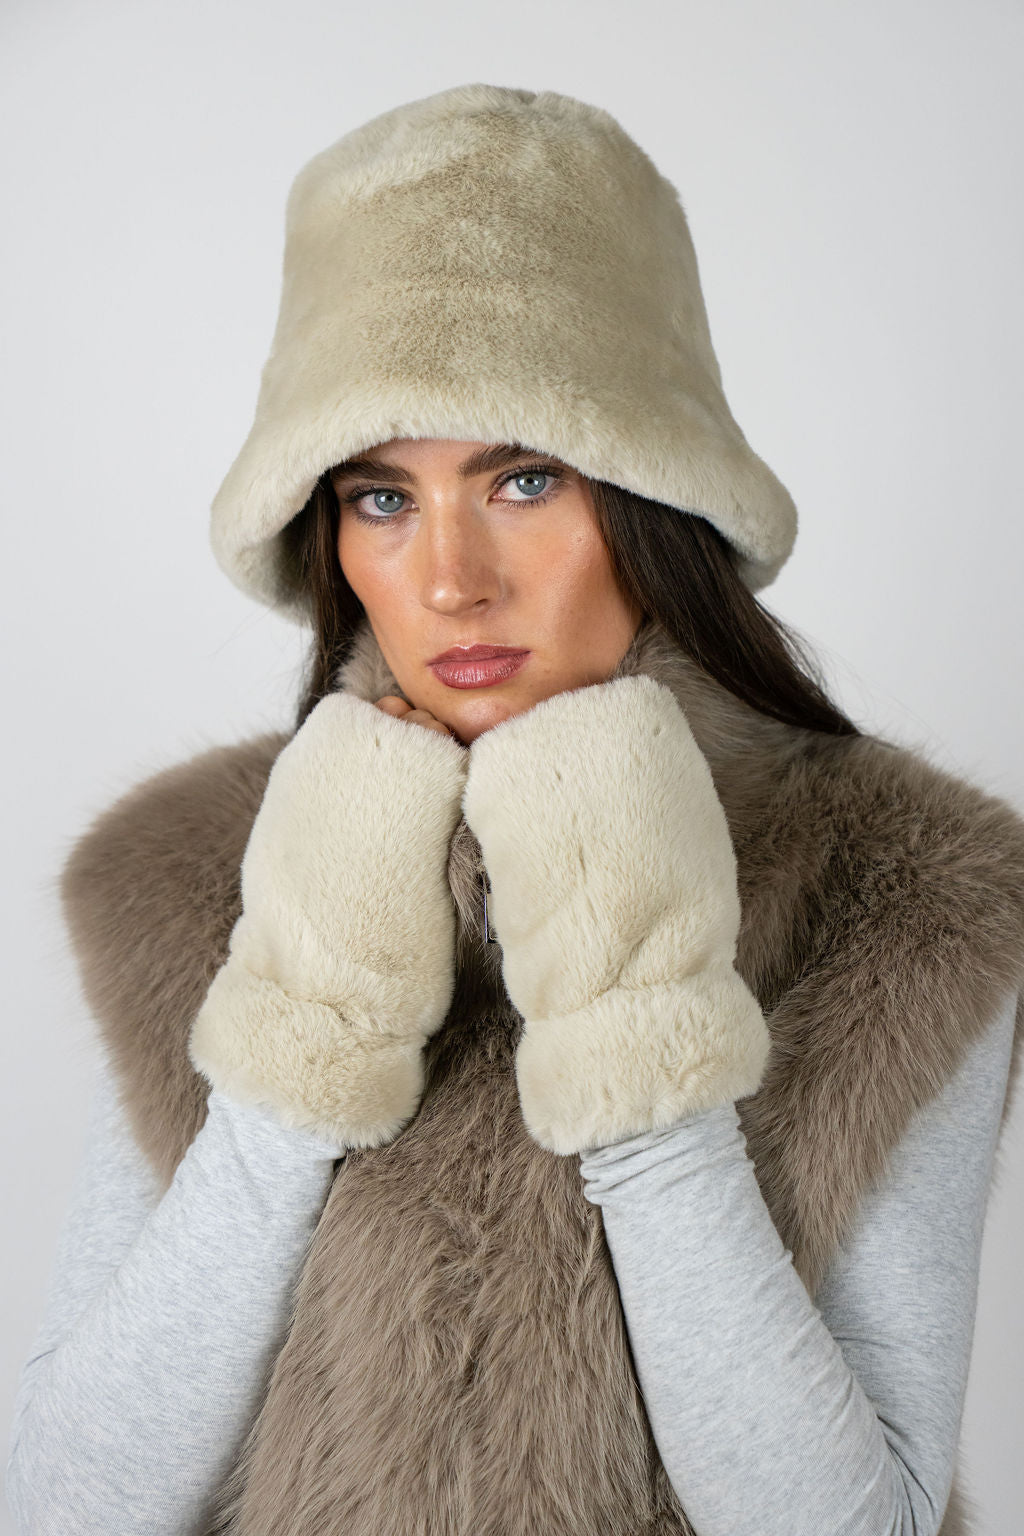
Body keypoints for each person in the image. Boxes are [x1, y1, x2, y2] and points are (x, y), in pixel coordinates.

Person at [6, 82, 1024, 1536]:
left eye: (525, 478)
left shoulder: (910, 895)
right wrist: (300, 1039)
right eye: (380, 498)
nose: (450, 581)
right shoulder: (188, 877)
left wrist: (638, 1027)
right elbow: (62, 1509)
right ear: (325, 535)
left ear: (655, 500)